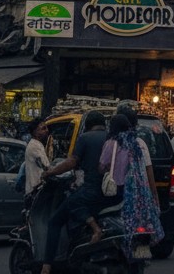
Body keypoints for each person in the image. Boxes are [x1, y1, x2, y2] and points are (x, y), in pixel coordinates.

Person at [37, 110, 110, 274]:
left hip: (90, 191)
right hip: (110, 194)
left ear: (88, 126)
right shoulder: (112, 138)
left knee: (55, 221)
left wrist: (51, 172)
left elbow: (71, 162)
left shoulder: (85, 138)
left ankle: (47, 266)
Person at [100, 113, 163, 257]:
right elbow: (147, 170)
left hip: (117, 192)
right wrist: (154, 195)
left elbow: (101, 167)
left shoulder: (111, 143)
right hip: (138, 192)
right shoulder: (138, 143)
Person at [22, 118, 50, 197]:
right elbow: (46, 167)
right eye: (43, 129)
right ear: (35, 132)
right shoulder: (34, 146)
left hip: (36, 189)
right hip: (35, 191)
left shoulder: (37, 144)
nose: (47, 130)